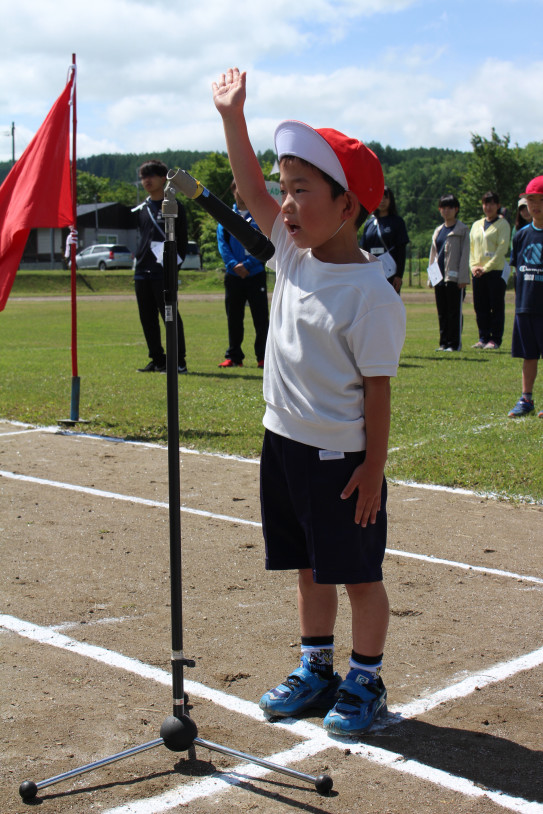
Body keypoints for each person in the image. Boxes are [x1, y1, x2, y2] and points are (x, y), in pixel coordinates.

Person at [212, 68, 406, 737]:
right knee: (306, 568)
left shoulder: (370, 295)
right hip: (284, 444)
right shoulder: (292, 257)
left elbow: (378, 391)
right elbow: (245, 187)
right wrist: (232, 117)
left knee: (356, 575)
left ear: (346, 205)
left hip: (341, 459)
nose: (284, 204)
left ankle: (365, 679)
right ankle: (316, 669)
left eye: (301, 191)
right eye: (284, 189)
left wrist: (372, 468)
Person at [133, 159, 189, 373]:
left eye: (151, 175)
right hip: (142, 270)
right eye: (143, 177)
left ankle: (178, 361)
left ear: (163, 178)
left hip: (163, 271)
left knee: (170, 315)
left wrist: (174, 268)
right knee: (147, 318)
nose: (146, 180)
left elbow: (182, 242)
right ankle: (157, 359)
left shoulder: (174, 206)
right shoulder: (142, 208)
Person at [216, 181, 269, 368]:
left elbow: (266, 243)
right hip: (233, 276)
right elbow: (222, 245)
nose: (243, 193)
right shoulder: (226, 217)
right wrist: (233, 265)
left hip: (255, 274)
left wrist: (248, 264)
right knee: (234, 317)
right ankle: (234, 357)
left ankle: (263, 357)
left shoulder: (260, 216)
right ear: (233, 192)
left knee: (261, 318)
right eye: (239, 189)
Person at [507, 176, 543, 418]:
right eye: (530, 200)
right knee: (528, 355)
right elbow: (518, 270)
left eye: (540, 200)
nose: (535, 205)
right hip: (525, 306)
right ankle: (526, 399)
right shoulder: (521, 235)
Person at [469, 191, 511, 349]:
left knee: (496, 306)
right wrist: (474, 266)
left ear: (498, 206)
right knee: (480, 306)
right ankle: (483, 337)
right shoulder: (476, 225)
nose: (488, 207)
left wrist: (485, 268)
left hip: (495, 272)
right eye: (486, 203)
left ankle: (495, 339)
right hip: (478, 273)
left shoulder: (502, 224)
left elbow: (502, 249)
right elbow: (472, 249)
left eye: (492, 203)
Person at [428, 194, 470, 351]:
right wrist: (431, 278)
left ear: (456, 209)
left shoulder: (462, 230)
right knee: (442, 312)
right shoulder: (438, 231)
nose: (446, 211)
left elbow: (465, 255)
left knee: (454, 312)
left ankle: (454, 343)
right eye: (443, 207)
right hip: (439, 277)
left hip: (454, 277)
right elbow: (433, 255)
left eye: (450, 207)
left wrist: (463, 277)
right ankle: (443, 342)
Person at [360, 185, 409, 294]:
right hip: (372, 273)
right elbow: (364, 250)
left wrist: (399, 276)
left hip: (390, 273)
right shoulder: (369, 223)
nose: (382, 201)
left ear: (391, 200)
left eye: (386, 197)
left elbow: (401, 250)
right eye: (380, 197)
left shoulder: (397, 222)